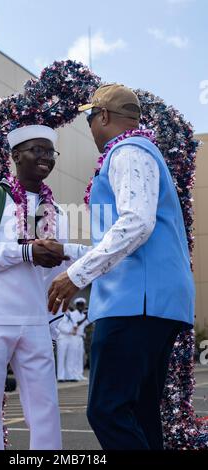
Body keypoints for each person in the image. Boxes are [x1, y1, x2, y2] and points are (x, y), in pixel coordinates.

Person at [46, 84, 195, 450]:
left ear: (105, 116)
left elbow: (136, 224)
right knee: (140, 412)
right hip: (154, 300)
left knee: (107, 410)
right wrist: (65, 250)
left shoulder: (128, 152)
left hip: (135, 302)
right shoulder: (142, 153)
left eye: (90, 117)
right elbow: (125, 231)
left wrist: (75, 275)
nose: (90, 126)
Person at [0, 124, 70, 450]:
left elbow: (58, 273)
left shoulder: (57, 210)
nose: (45, 158)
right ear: (14, 156)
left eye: (49, 152)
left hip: (37, 320)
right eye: (36, 150)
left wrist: (52, 325)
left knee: (46, 411)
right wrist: (24, 250)